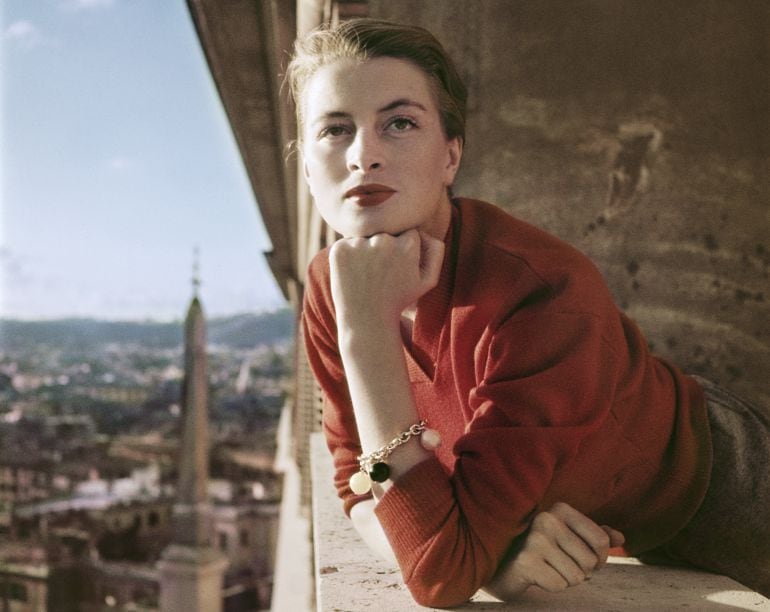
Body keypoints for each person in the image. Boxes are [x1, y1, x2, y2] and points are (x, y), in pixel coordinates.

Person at [287, 18, 770, 608]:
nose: (364, 156)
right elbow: (358, 492)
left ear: (450, 156)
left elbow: (436, 569)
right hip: (588, 524)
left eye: (400, 123)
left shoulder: (540, 292)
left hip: (717, 489)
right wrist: (494, 559)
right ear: (309, 169)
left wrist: (366, 338)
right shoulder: (328, 287)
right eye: (335, 130)